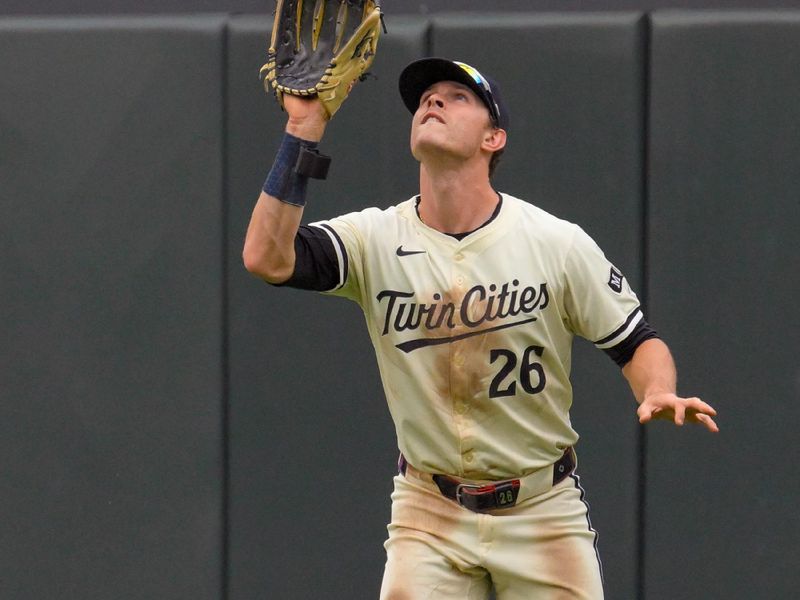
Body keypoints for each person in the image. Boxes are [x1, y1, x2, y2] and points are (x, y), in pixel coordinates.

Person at [243, 57, 719, 599]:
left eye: (457, 96)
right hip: (429, 513)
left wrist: (658, 389)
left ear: (494, 138)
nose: (432, 101)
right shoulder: (374, 237)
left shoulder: (554, 242)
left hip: (542, 508)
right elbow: (266, 258)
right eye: (425, 98)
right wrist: (302, 130)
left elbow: (635, 341)